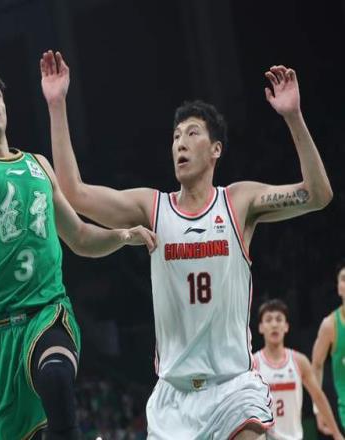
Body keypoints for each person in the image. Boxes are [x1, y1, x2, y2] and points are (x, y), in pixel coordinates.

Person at [40, 49, 333, 439]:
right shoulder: (152, 207)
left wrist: (293, 116)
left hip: (233, 387)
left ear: (216, 150)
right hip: (174, 397)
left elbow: (317, 194)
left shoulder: (238, 202)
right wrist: (57, 105)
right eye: (176, 136)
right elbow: (75, 193)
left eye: (192, 133)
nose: (180, 142)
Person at [0, 29, 156, 440]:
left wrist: (122, 235)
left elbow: (80, 236)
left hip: (48, 312)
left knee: (55, 377)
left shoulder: (38, 165)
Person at [254, 299, 343, 439]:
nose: (274, 324)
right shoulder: (254, 364)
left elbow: (318, 397)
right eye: (268, 320)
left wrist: (337, 434)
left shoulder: (299, 361)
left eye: (279, 319)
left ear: (286, 326)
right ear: (260, 327)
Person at [312, 261, 345, 435]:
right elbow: (316, 366)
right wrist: (318, 409)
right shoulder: (330, 325)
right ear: (339, 288)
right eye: (344, 279)